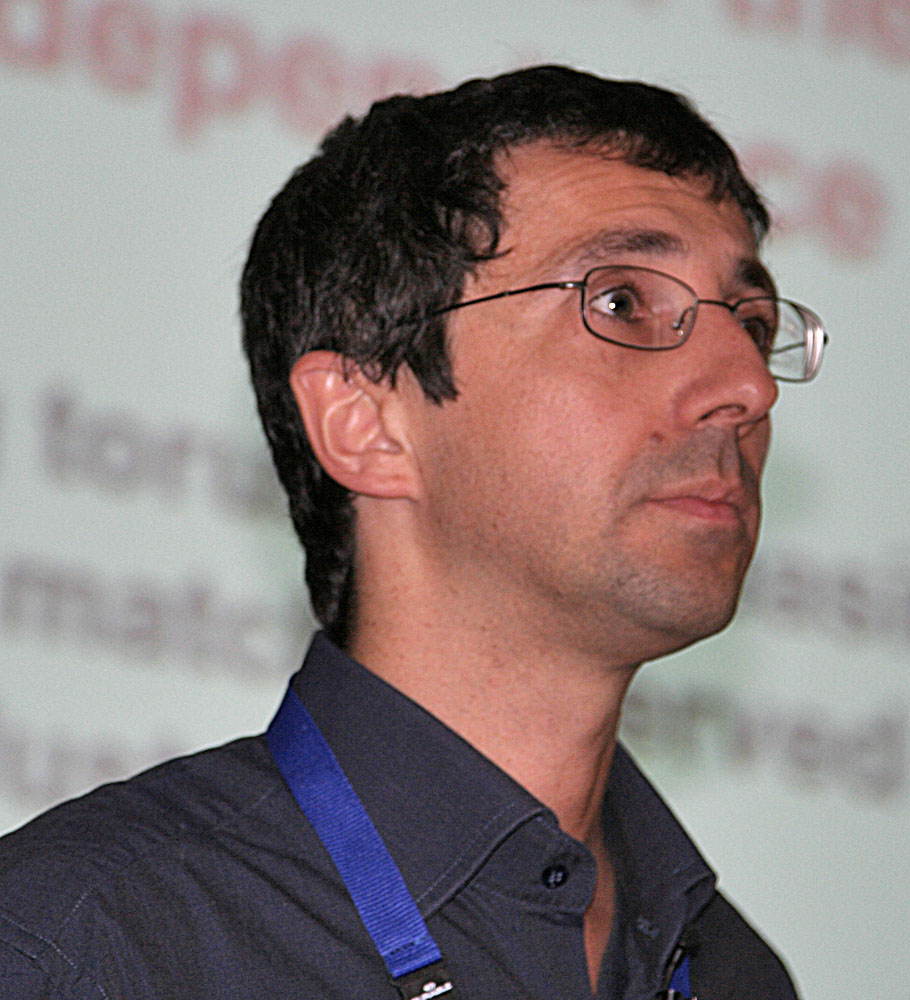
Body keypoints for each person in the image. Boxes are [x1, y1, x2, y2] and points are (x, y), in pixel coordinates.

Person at [0, 65, 826, 999]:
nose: (747, 386)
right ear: (366, 422)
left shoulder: (734, 974)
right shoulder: (81, 946)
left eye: (752, 321)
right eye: (622, 302)